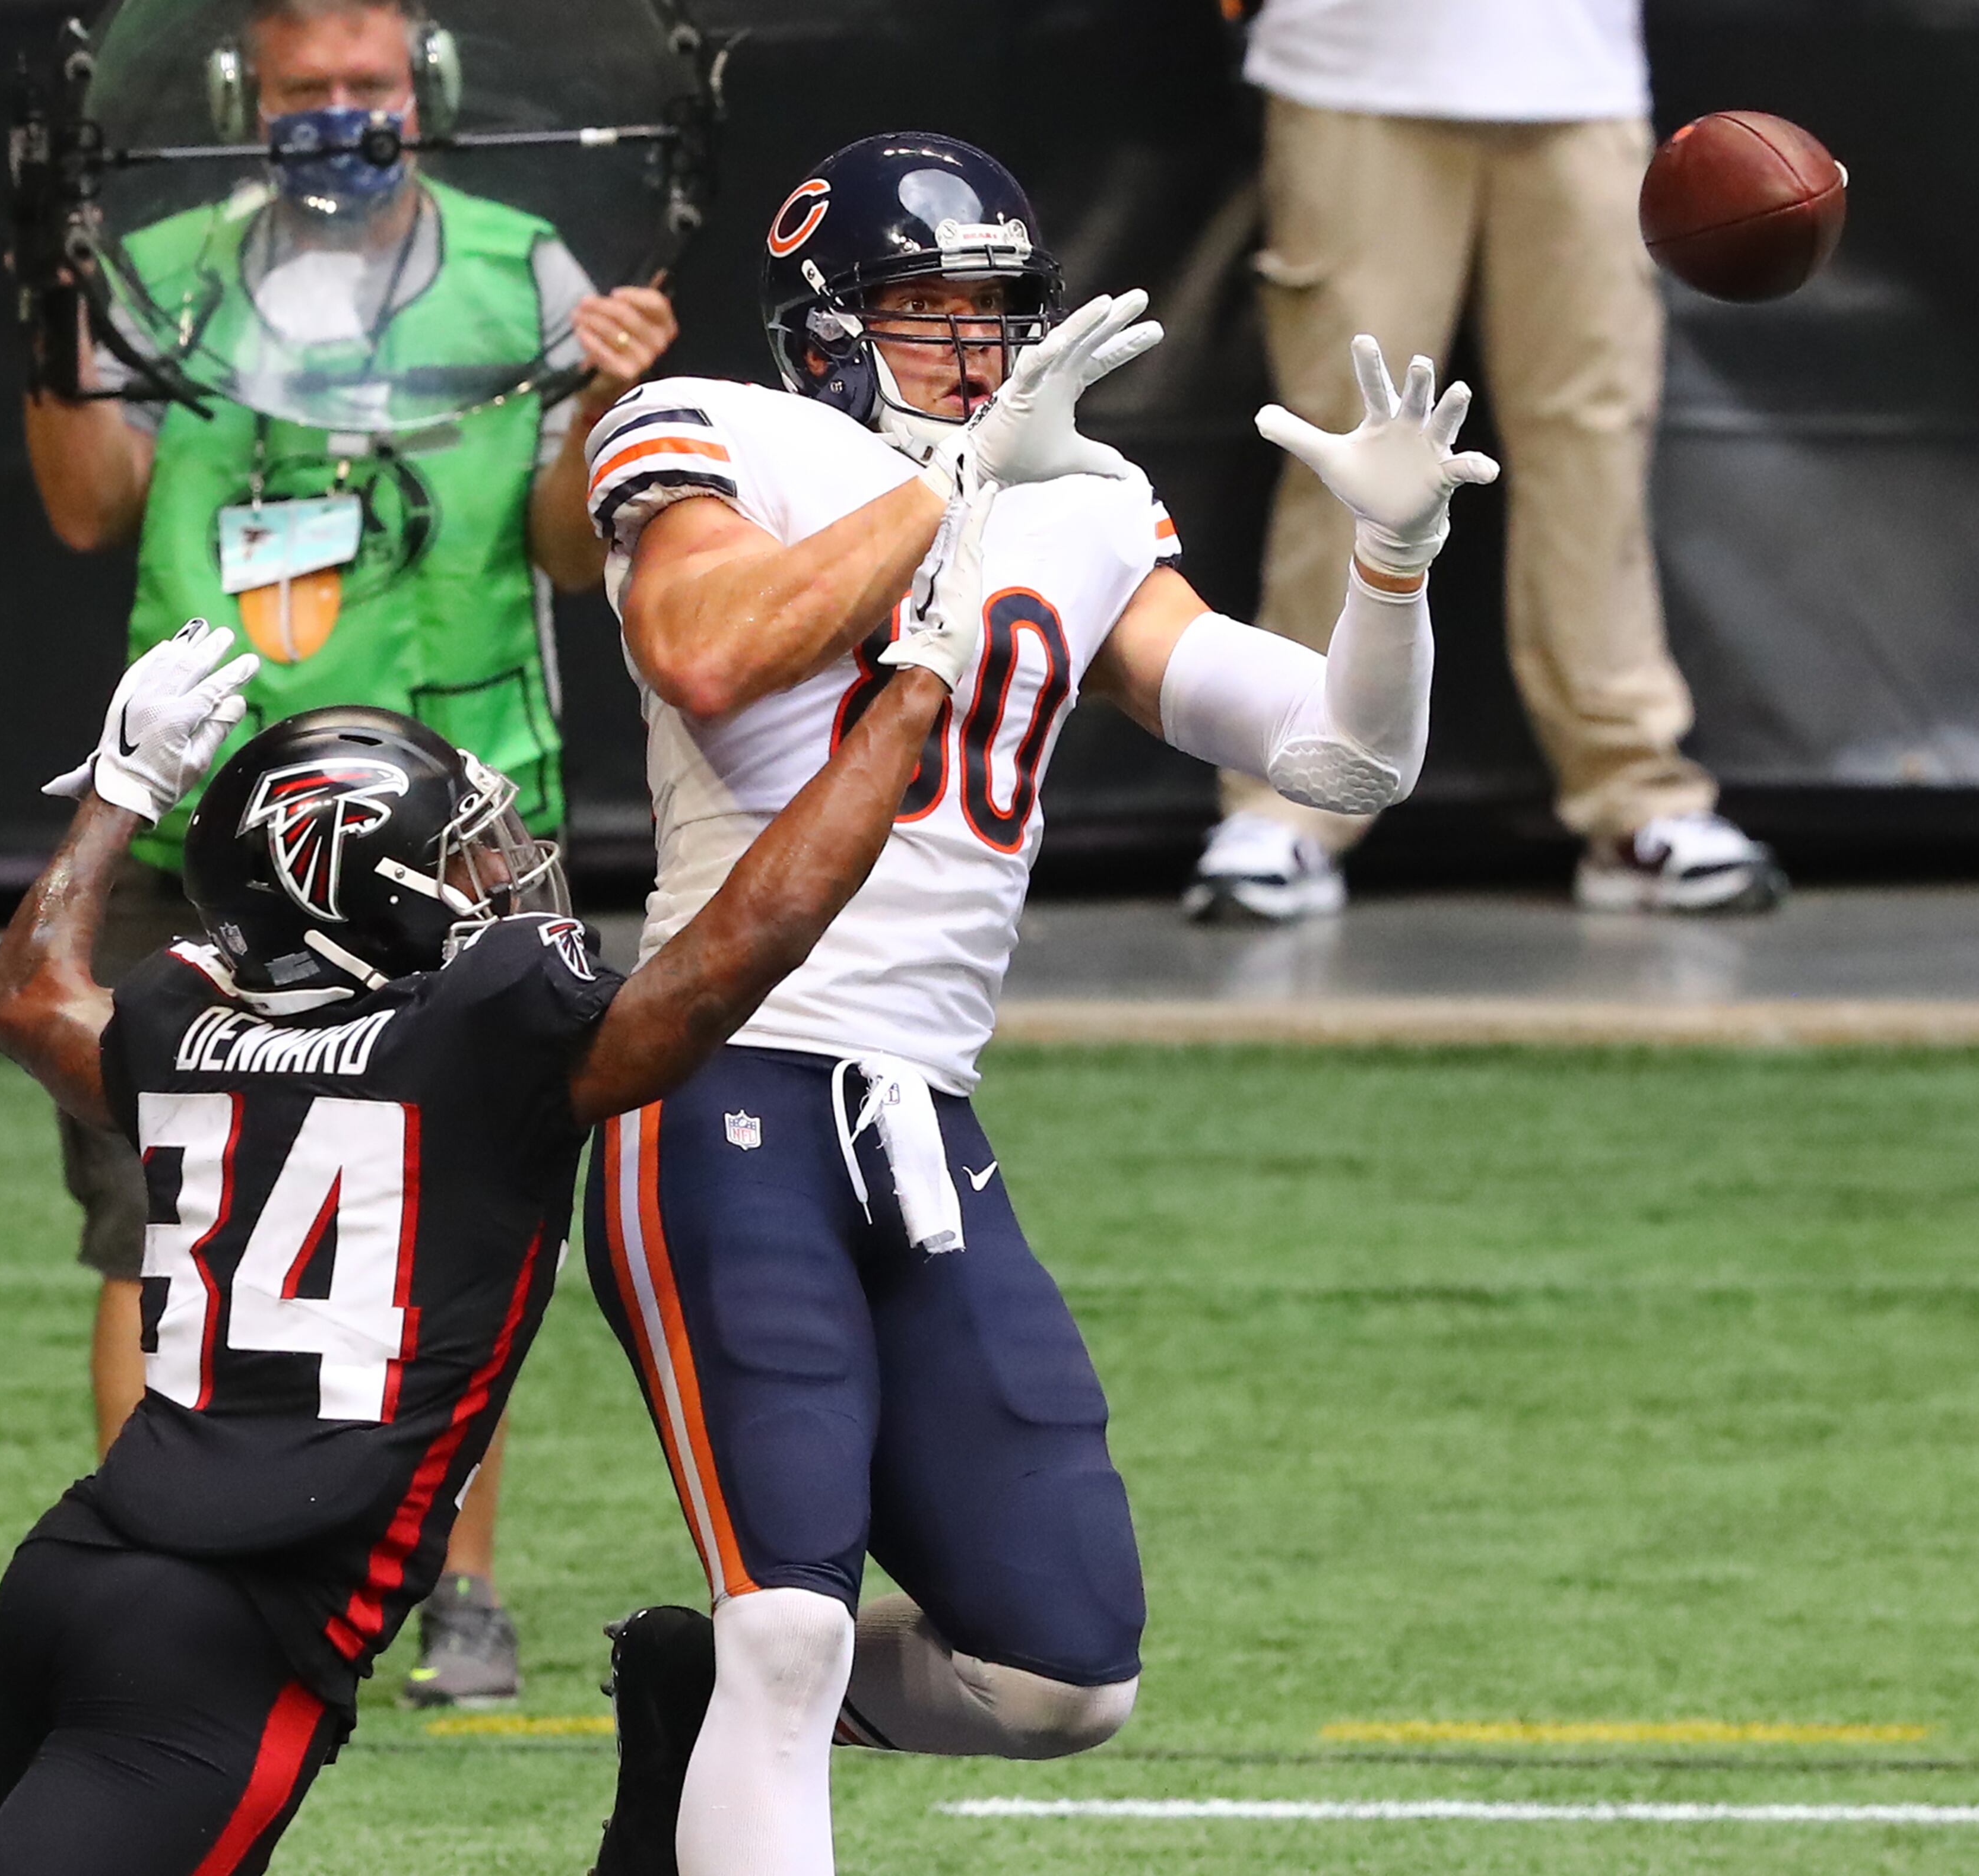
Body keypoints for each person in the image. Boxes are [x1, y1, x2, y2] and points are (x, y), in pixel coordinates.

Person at [574, 131, 1496, 1876]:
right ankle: (746, 1705)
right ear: (828, 327)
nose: (975, 356)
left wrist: (1390, 569)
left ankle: (690, 1726)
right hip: (719, 1084)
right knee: (792, 1627)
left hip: (922, 1112)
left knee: (1063, 1676)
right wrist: (952, 488)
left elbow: (1341, 756)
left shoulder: (1079, 498)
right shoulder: (715, 428)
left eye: (997, 315)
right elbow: (706, 652)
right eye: (927, 316)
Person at [0, 540, 990, 1874]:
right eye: (465, 856)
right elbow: (752, 942)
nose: (504, 872)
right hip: (239, 1629)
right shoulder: (486, 1045)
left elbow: (26, 994)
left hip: (71, 1569)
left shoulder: (180, 1025)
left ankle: (658, 1803)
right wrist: (909, 697)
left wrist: (119, 789)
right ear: (358, 897)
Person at [21, 0, 677, 1702]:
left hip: (450, 827)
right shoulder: (157, 264)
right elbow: (87, 505)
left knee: (467, 1207)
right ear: (249, 97)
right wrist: (55, 324)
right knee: (158, 1217)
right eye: (304, 90)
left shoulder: (528, 269)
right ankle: (164, 1568)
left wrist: (610, 402)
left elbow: (570, 555)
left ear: (427, 90)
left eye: (366, 87)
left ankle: (454, 1589)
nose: (336, 115)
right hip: (211, 809)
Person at [1187, 0, 1787, 921]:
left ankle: (1634, 797)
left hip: (1580, 76)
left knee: (1592, 456)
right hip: (1348, 68)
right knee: (1347, 450)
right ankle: (1292, 800)